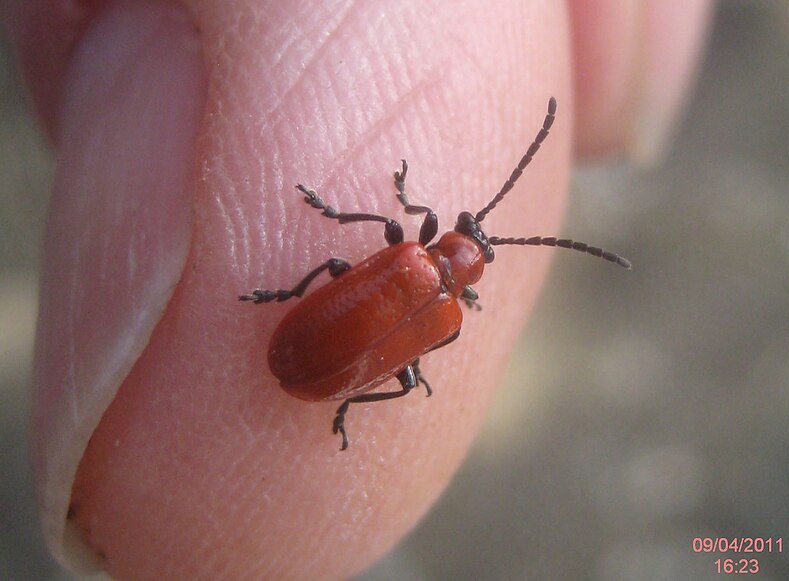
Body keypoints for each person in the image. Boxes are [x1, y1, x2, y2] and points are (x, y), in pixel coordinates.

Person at [5, 0, 714, 578]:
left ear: (452, 236)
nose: (467, 233)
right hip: (320, 369)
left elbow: (373, 233)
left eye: (468, 232)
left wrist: (342, 237)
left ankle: (287, 302)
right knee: (408, 379)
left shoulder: (411, 256)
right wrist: (345, 394)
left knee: (368, 248)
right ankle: (333, 384)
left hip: (310, 349)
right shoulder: (448, 320)